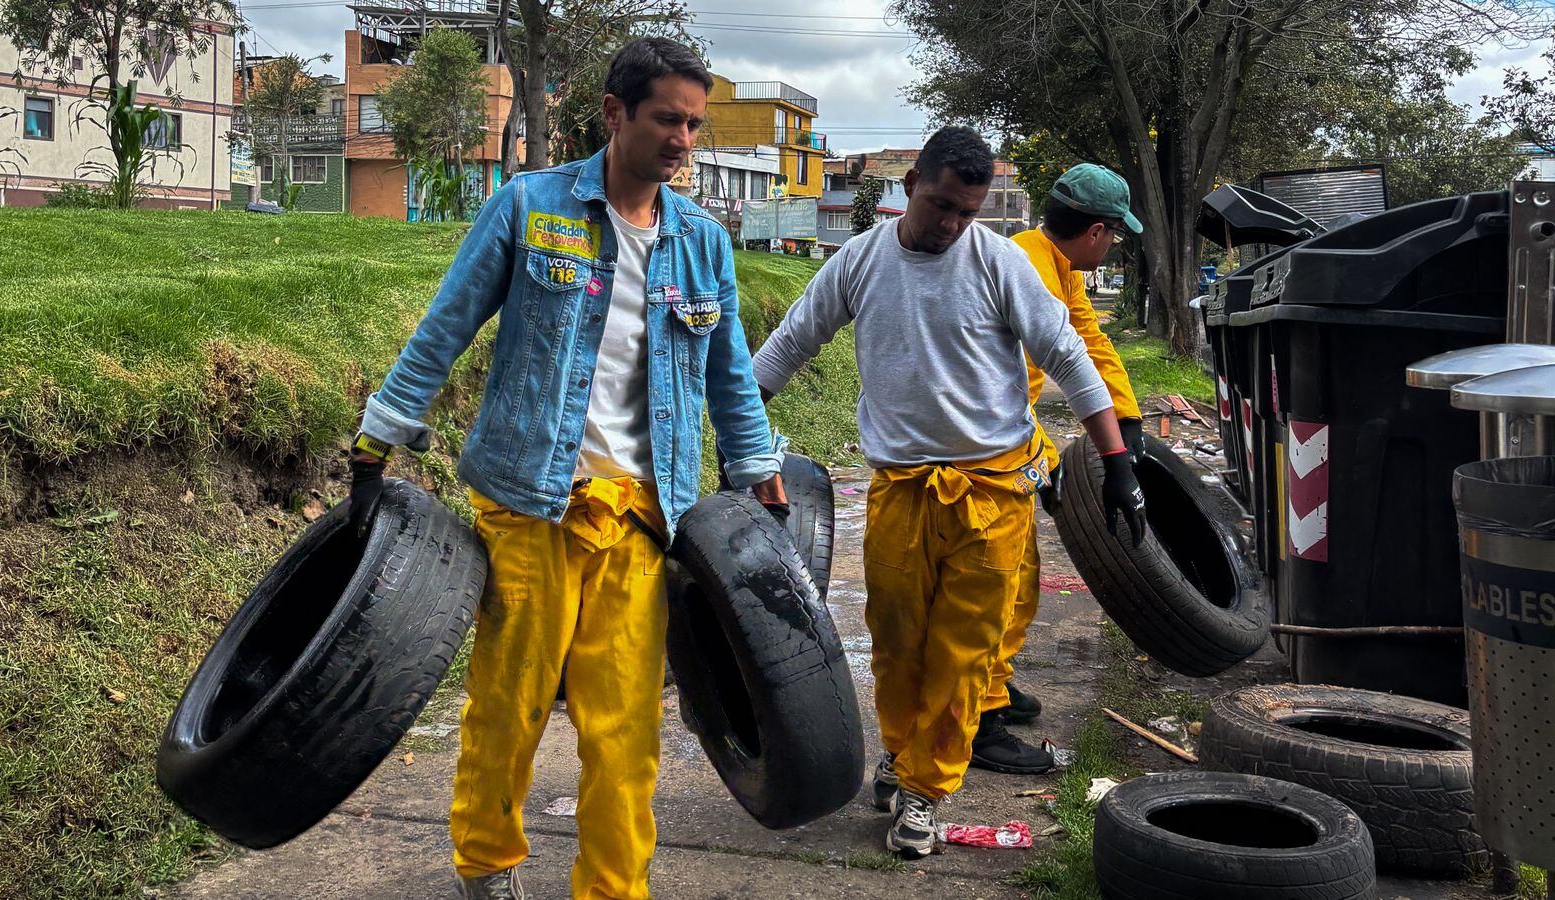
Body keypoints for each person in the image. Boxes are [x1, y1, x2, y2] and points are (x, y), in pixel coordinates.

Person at [345, 38, 787, 900]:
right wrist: (380, 434)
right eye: (668, 118)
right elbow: (446, 328)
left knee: (625, 733)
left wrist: (757, 467)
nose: (684, 140)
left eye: (695, 124)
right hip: (528, 505)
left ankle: (613, 890)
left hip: (642, 517)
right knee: (506, 711)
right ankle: (487, 866)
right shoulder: (528, 207)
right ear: (615, 113)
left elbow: (730, 374)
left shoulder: (702, 244)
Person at [751, 126, 1147, 859]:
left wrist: (1117, 459)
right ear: (909, 188)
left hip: (993, 493)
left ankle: (927, 791)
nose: (952, 226)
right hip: (900, 491)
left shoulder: (998, 262)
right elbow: (789, 345)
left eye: (967, 212)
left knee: (964, 654)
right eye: (941, 207)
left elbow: (1070, 354)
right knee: (899, 644)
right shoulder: (861, 262)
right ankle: (902, 757)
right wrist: (739, 438)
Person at [970, 163, 1149, 774]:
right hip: (980, 452)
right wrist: (1053, 462)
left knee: (1017, 577)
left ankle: (992, 685)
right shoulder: (1028, 271)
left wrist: (1125, 422)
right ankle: (980, 718)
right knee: (1004, 583)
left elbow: (1090, 343)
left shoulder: (1057, 265)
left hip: (1006, 436)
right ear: (1096, 231)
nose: (1116, 243)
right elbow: (1001, 390)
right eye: (1116, 233)